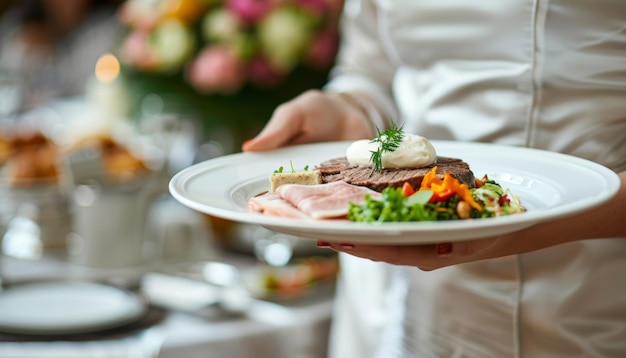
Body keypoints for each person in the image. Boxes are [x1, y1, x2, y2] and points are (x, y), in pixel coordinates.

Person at [242, 0, 626, 357]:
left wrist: (532, 226)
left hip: (585, 289)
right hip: (396, 280)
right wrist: (348, 109)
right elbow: (369, 69)